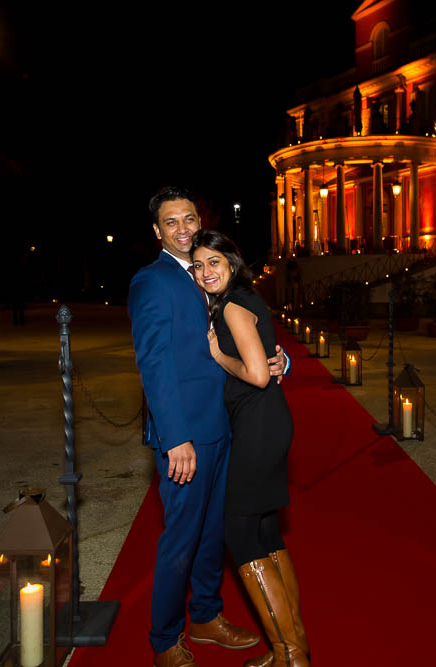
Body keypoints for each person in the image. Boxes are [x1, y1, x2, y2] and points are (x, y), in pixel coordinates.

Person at [128, 186, 286, 667]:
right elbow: (154, 364)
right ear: (157, 232)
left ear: (199, 222)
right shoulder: (152, 282)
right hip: (186, 437)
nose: (183, 228)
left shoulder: (209, 273)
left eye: (189, 218)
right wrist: (174, 437)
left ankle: (206, 615)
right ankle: (164, 639)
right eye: (171, 221)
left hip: (225, 426)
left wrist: (278, 363)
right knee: (181, 536)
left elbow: (244, 340)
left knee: (213, 530)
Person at [190, 230, 309, 667]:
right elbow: (269, 362)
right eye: (199, 265)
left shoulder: (235, 306)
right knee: (264, 532)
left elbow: (258, 374)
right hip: (269, 422)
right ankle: (293, 647)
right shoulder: (244, 298)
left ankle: (290, 654)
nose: (206, 272)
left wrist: (220, 357)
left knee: (239, 534)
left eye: (214, 263)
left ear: (232, 263)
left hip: (259, 426)